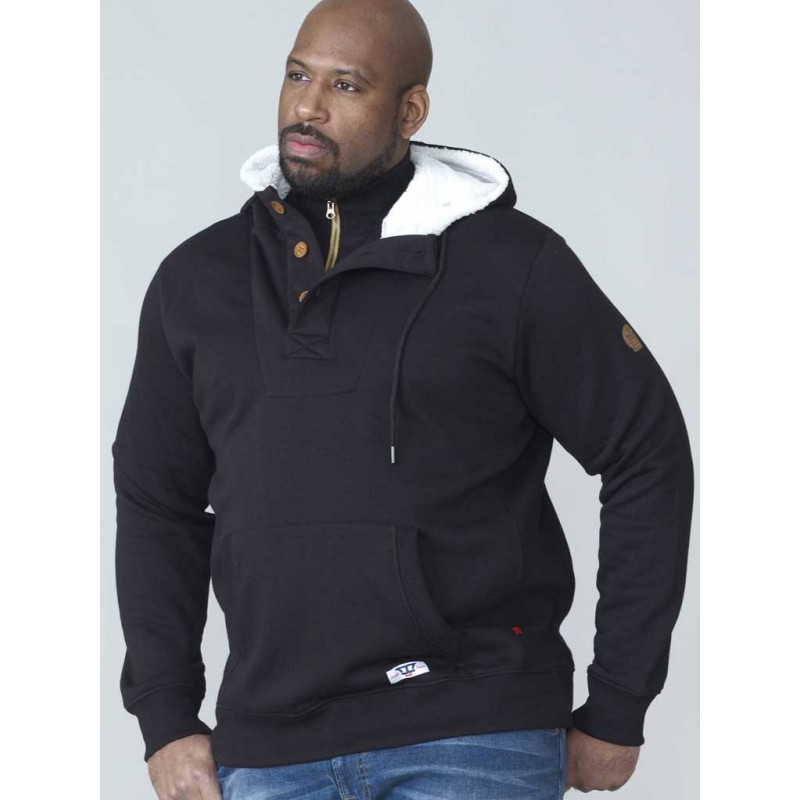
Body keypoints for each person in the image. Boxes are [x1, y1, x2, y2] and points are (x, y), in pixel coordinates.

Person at [111, 0, 695, 797]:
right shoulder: (198, 282)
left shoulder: (508, 266)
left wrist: (620, 702)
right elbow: (156, 501)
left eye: (346, 85)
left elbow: (646, 451)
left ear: (410, 110)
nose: (308, 107)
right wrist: (166, 715)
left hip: (472, 735)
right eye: (297, 76)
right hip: (271, 750)